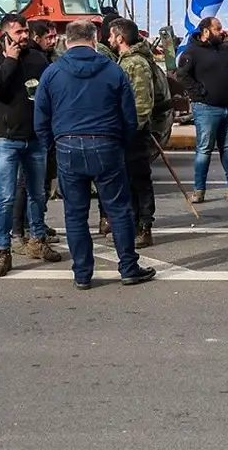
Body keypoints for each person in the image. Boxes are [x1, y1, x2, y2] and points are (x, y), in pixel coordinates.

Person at [33, 18, 156, 290]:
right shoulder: (113, 70)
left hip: (67, 145)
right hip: (106, 144)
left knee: (75, 214)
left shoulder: (53, 72)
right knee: (119, 210)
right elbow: (129, 117)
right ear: (94, 40)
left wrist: (51, 145)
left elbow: (41, 116)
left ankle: (82, 273)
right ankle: (128, 267)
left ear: (67, 41)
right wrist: (121, 144)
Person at [0, 14, 61, 278]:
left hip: (36, 137)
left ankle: (37, 240)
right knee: (6, 197)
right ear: (5, 35)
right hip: (7, 139)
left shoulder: (38, 58)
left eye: (25, 31)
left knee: (38, 193)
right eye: (18, 33)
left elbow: (49, 91)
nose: (24, 36)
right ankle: (4, 251)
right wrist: (10, 61)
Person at [108, 17, 167, 249]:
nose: (109, 40)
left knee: (139, 182)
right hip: (127, 130)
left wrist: (132, 129)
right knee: (129, 182)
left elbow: (142, 103)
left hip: (134, 132)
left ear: (120, 38)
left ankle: (144, 226)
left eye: (112, 36)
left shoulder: (135, 64)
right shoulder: (126, 61)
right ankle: (132, 225)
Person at [176, 16, 228, 204]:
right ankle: (199, 190)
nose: (221, 31)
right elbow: (182, 76)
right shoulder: (192, 52)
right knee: (204, 150)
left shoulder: (225, 48)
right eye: (217, 28)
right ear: (206, 31)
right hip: (206, 108)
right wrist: (200, 92)